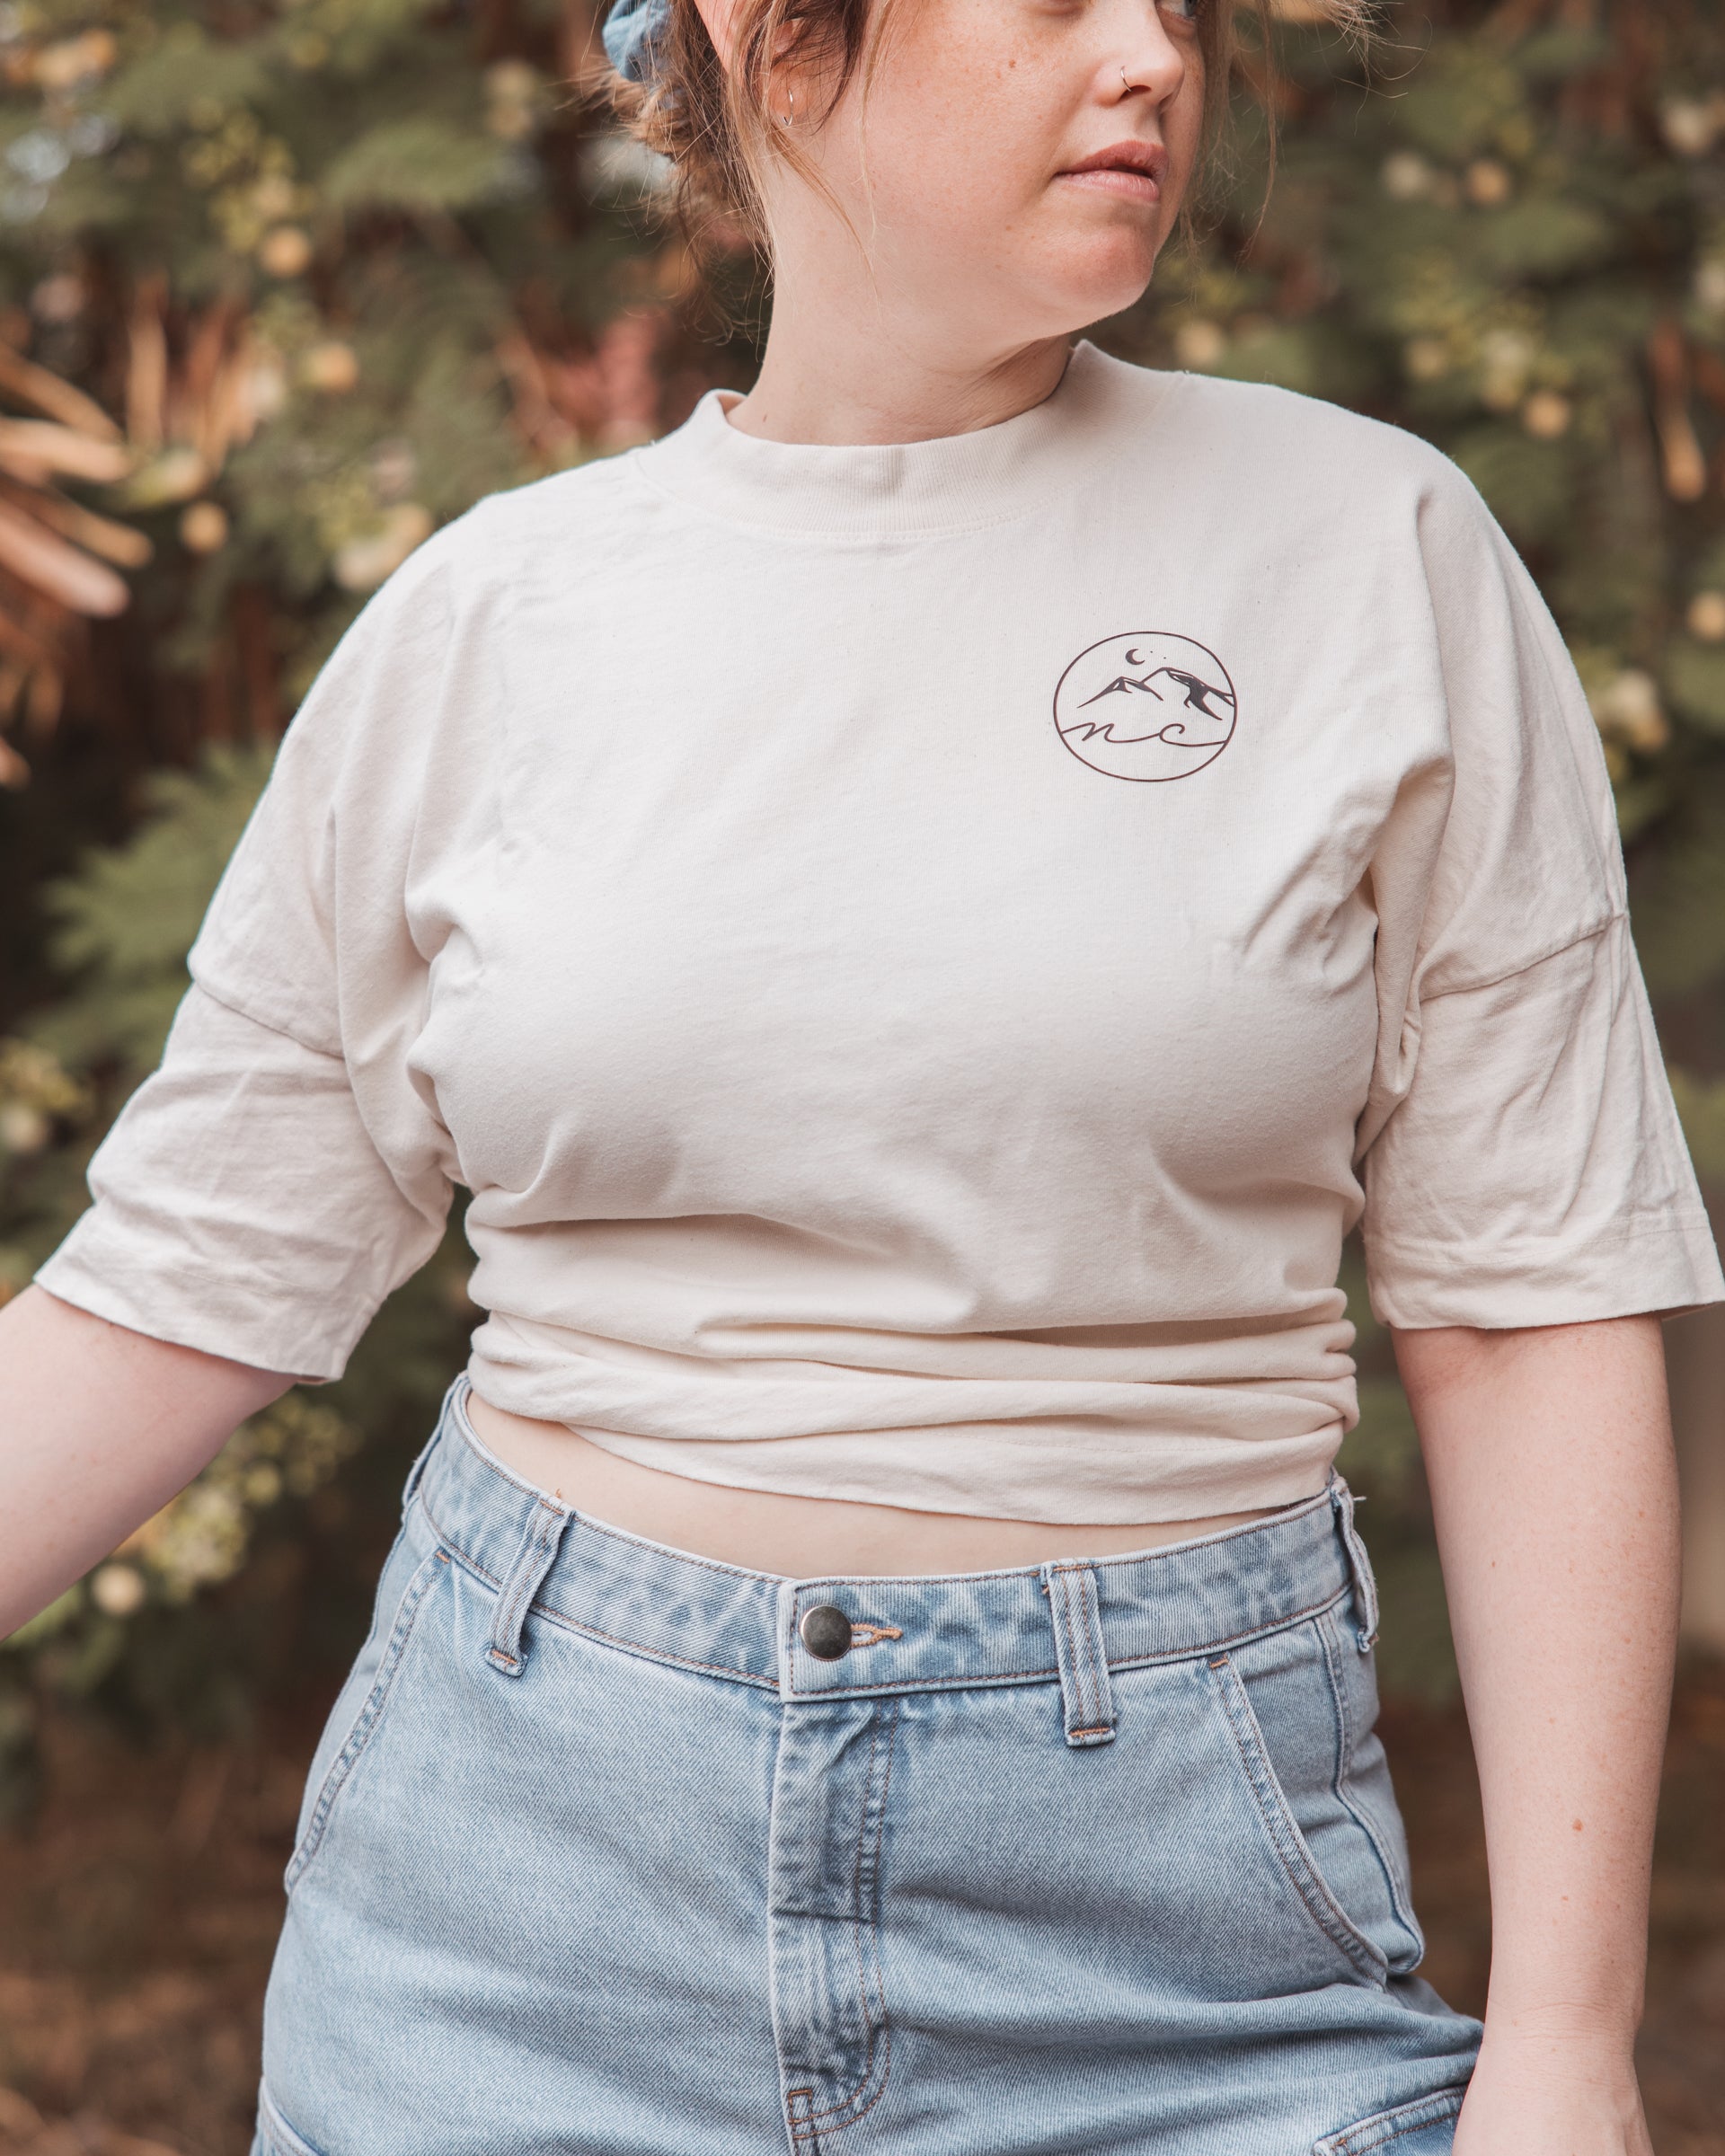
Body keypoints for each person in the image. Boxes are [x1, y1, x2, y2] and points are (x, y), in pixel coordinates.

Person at [2, 0, 1717, 2149]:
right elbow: (177, 1287)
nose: (1153, 57)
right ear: (762, 33)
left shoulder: (1372, 549)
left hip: (1184, 1957)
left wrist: (1567, 2043)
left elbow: (1532, 1304)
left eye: (1176, 2)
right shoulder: (493, 621)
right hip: (512, 1922)